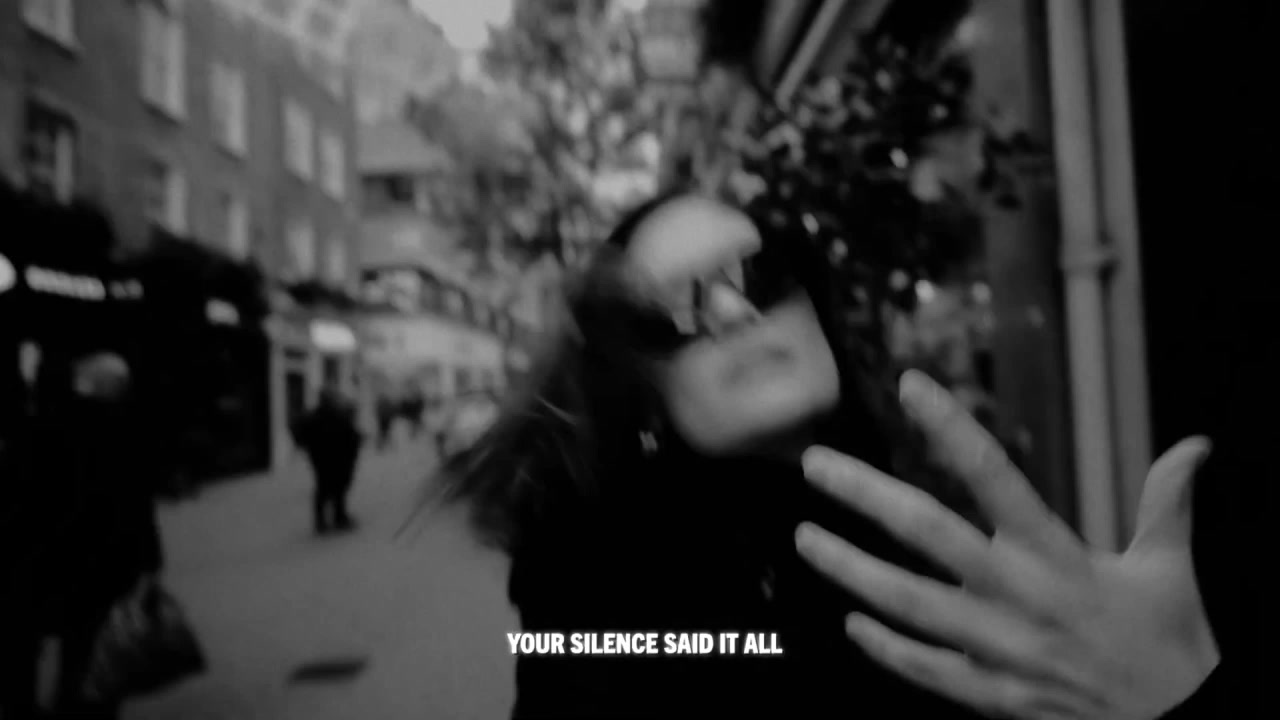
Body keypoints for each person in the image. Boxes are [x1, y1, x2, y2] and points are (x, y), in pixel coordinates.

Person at [439, 191, 1233, 719]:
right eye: (671, 306)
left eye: (759, 274)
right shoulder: (590, 581)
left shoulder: (931, 528)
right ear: (644, 390)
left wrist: (1168, 697)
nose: (730, 312)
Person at [2, 351, 164, 719]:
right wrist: (150, 562)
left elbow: (12, 493)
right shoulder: (124, 434)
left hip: (35, 562)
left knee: (23, 648)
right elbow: (137, 506)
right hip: (100, 568)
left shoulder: (38, 426)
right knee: (87, 655)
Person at [294, 384, 363, 535]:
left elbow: (302, 436)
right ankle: (337, 518)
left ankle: (324, 521)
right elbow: (351, 436)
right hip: (336, 459)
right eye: (334, 397)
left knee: (325, 488)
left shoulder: (315, 416)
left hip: (322, 460)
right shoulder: (337, 416)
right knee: (336, 489)